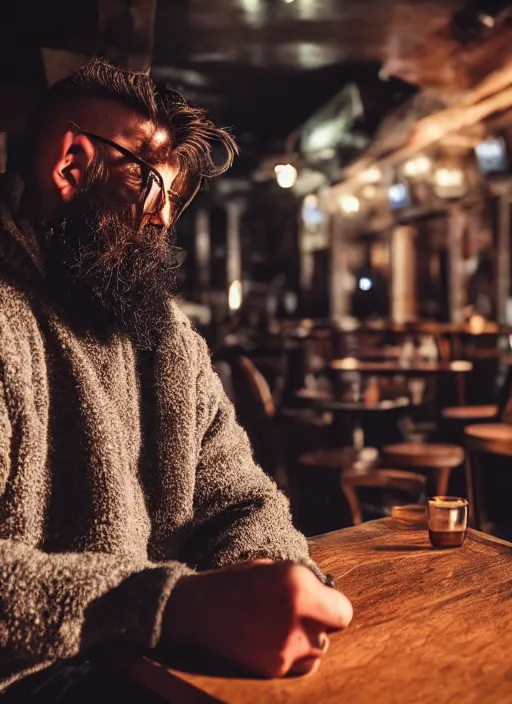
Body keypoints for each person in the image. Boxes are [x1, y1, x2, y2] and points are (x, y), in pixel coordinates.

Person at [0, 60, 352, 701]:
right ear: (72, 164)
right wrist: (172, 607)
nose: (164, 219)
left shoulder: (167, 339)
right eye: (154, 185)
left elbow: (243, 499)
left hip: (147, 669)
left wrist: (273, 572)